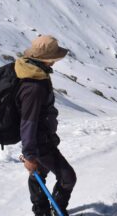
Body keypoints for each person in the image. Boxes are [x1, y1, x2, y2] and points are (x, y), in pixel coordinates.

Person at [18, 35, 76, 216]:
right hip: (39, 142)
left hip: (42, 139)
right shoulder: (34, 86)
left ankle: (42, 212)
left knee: (39, 174)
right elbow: (28, 121)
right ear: (47, 59)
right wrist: (29, 155)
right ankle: (53, 211)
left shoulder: (33, 72)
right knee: (68, 178)